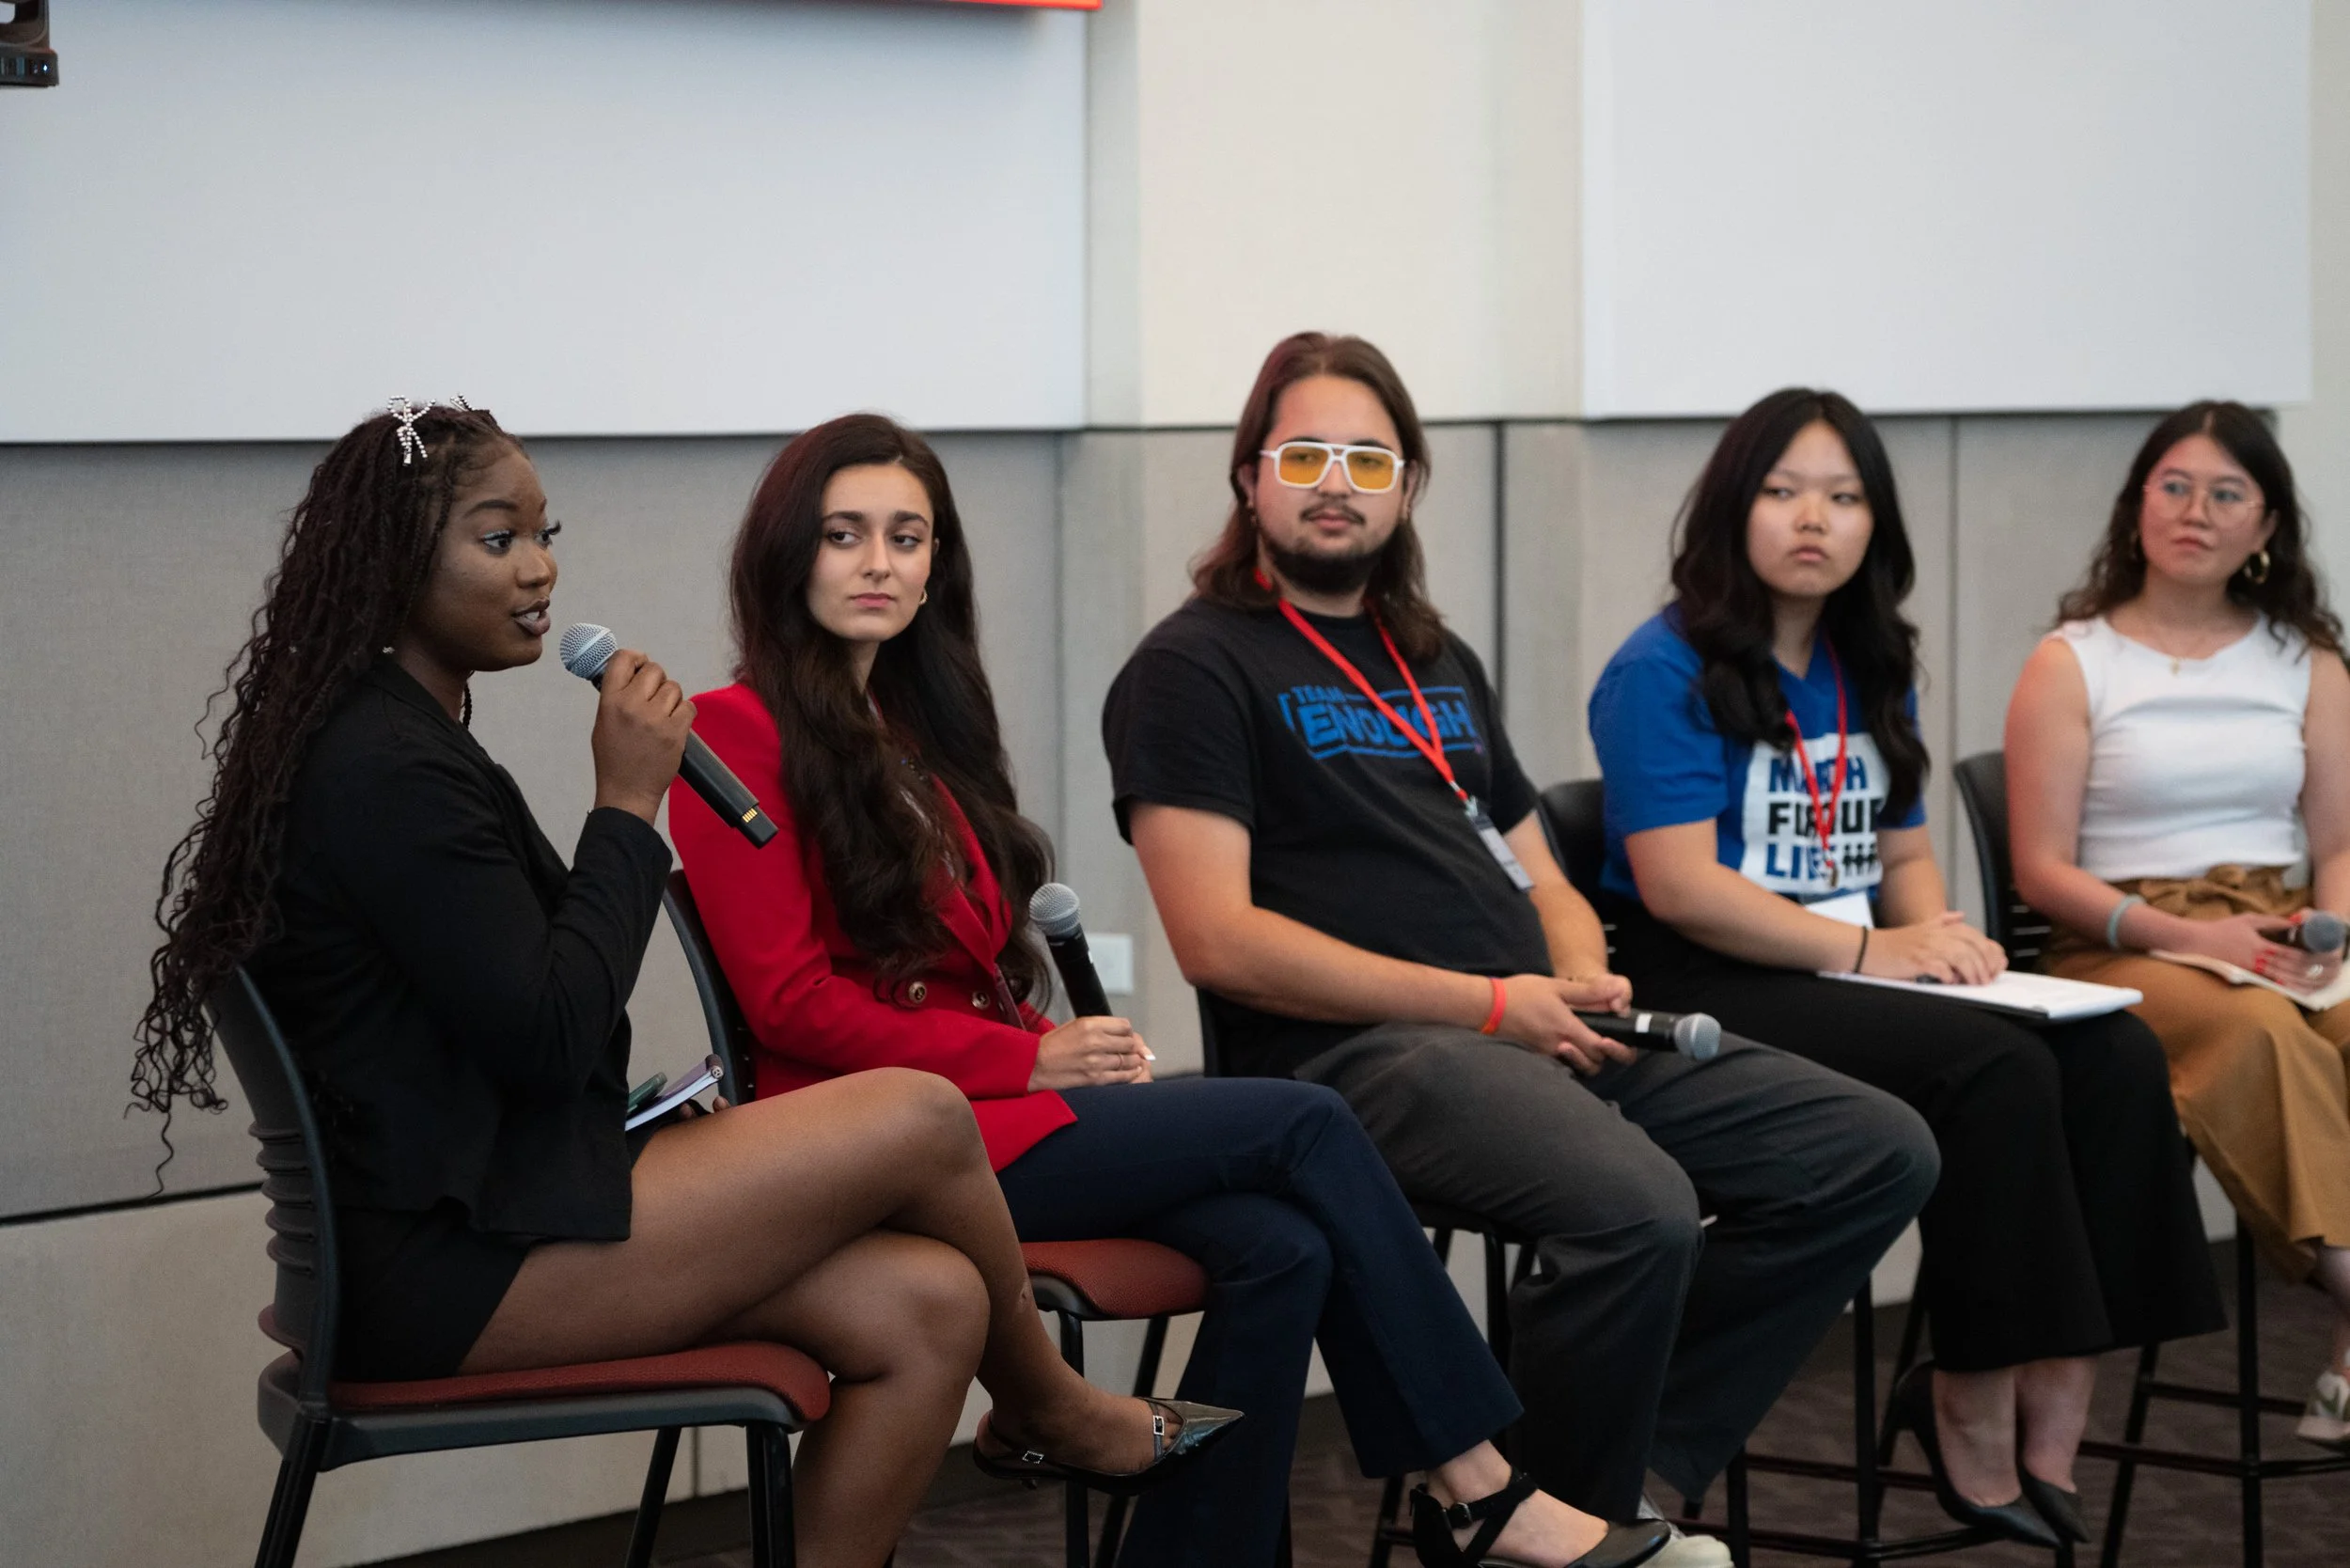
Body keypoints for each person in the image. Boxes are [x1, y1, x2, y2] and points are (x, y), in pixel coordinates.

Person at [131, 401, 1210, 1568]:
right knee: (920, 1111)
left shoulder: (409, 737)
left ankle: (1039, 1408)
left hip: (510, 1205)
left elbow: (522, 1030)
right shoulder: (384, 769)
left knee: (931, 1305)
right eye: (499, 541)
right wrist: (628, 806)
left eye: (548, 534)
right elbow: (550, 1035)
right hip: (440, 1273)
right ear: (394, 559)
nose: (541, 568)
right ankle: (1051, 1406)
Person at [671, 411, 1671, 1568]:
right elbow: (791, 1005)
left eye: (907, 536)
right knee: (1304, 1120)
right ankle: (1480, 1486)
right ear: (786, 553)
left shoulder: (919, 729)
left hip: (992, 1113)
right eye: (844, 535)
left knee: (1283, 1248)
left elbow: (958, 976)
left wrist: (1058, 1043)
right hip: (869, 1143)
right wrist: (1029, 1060)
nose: (879, 562)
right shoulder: (727, 735)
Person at [1104, 334, 1940, 1566]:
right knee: (1637, 1207)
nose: (1336, 481)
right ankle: (1561, 1527)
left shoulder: (1432, 656)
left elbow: (1540, 865)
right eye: (1305, 454)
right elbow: (1219, 943)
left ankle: (1596, 1486)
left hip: (1532, 1024)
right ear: (1249, 480)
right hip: (1352, 1062)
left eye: (1369, 458)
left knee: (1872, 1151)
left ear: (1406, 486)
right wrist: (1491, 1005)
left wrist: (1571, 965)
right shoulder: (1192, 667)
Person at [1586, 386, 2225, 1546]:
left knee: (2115, 1054)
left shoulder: (1866, 656)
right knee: (1991, 1074)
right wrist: (1877, 948)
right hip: (1717, 978)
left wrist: (1947, 944)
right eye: (1782, 493)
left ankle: (2062, 1378)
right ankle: (1967, 1389)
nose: (1811, 520)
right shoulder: (1662, 667)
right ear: (1732, 509)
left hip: (1850, 966)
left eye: (1842, 496)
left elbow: (1907, 851)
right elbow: (1679, 885)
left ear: (1876, 522)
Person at [2006, 399, 2350, 1454]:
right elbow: (2039, 873)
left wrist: (2329, 928)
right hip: (2121, 942)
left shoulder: (2306, 662)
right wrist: (2195, 941)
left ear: (2267, 528)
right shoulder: (2071, 662)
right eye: (2172, 486)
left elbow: (2336, 844)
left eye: (2225, 493)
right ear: (2135, 507)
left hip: (2275, 922)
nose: (2194, 510)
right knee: (2255, 1037)